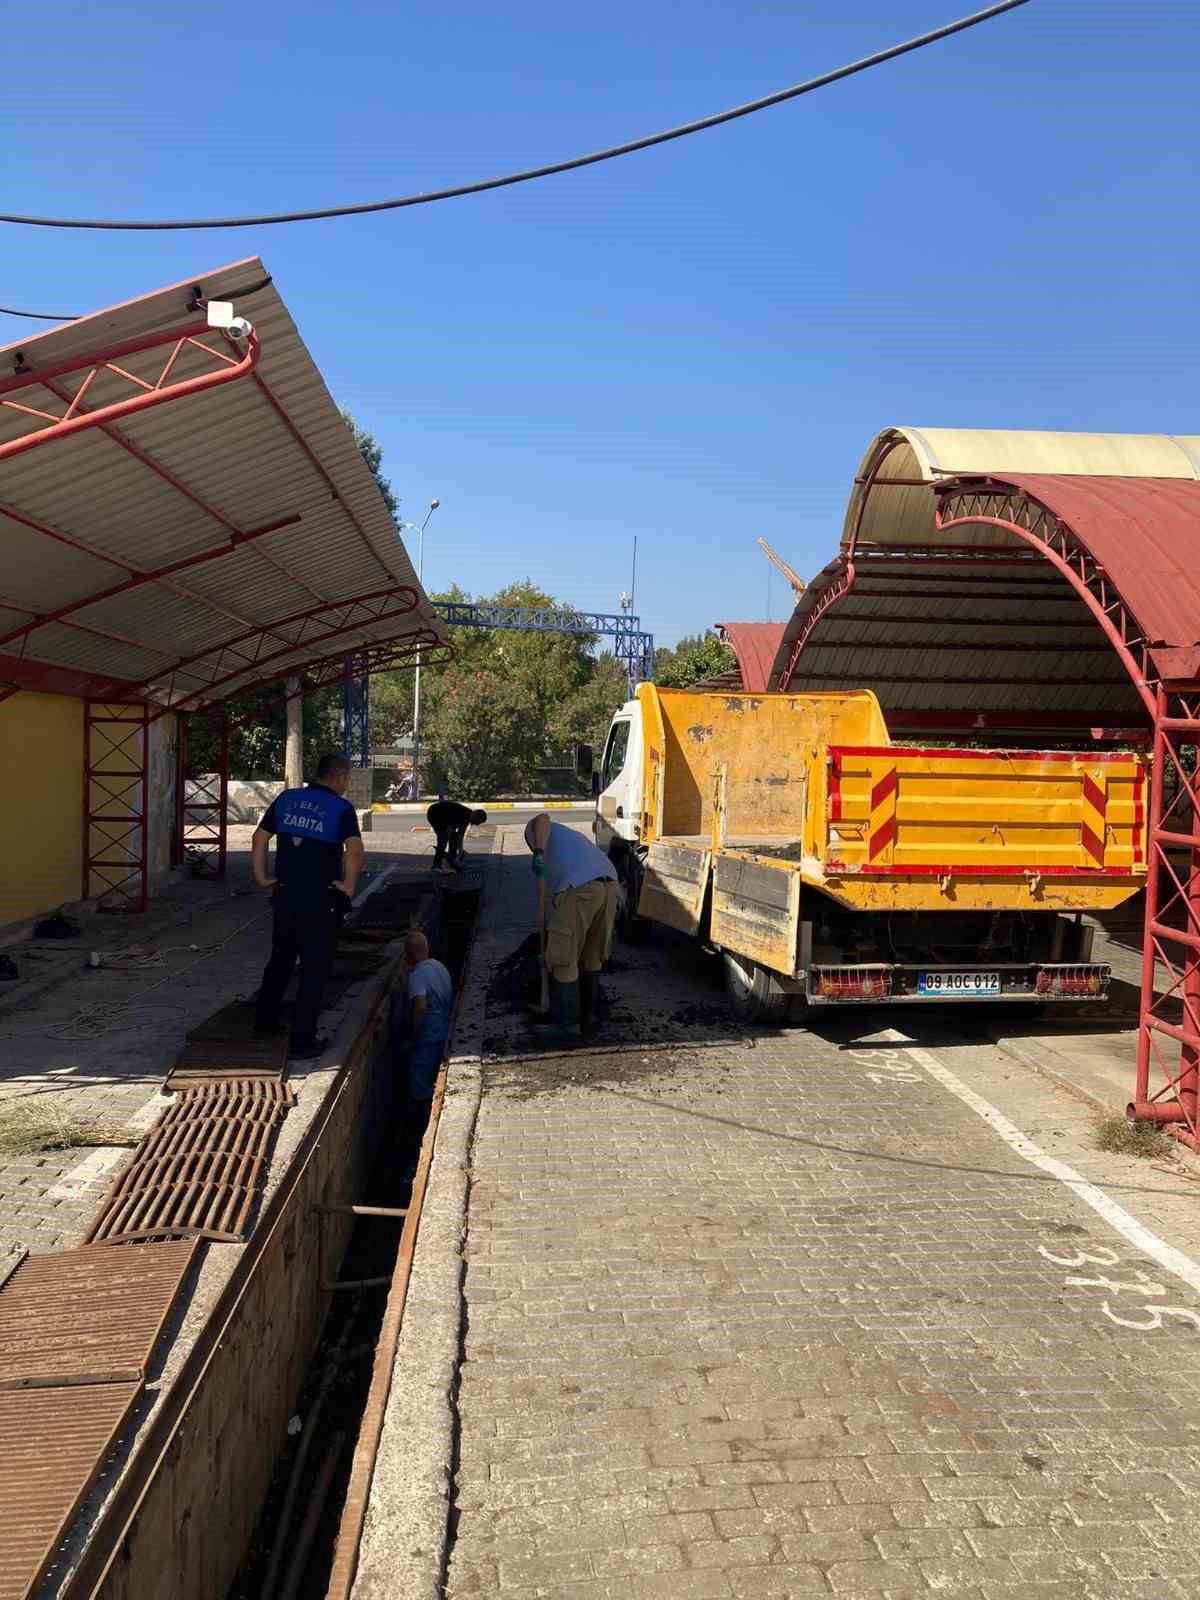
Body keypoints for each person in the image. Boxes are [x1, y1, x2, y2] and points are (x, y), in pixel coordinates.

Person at [252, 752, 364, 1059]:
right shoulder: (341, 808)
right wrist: (349, 887)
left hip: (285, 896)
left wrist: (263, 878)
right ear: (338, 776)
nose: (346, 784)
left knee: (280, 961)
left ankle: (264, 1022)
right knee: (314, 970)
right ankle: (302, 1041)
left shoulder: (287, 799)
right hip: (321, 901)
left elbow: (258, 838)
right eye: (347, 778)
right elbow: (354, 852)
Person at [524, 813, 618, 1043]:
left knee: (563, 958)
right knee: (591, 956)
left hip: (580, 886)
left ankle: (566, 1026)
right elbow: (551, 899)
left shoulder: (538, 829)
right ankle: (589, 1017)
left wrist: (537, 853)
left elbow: (542, 818)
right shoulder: (571, 839)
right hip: (609, 884)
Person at [403, 929, 454, 1105]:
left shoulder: (417, 975)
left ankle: (419, 1118)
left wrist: (413, 1036)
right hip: (446, 1028)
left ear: (409, 955)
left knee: (419, 1078)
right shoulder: (440, 966)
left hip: (429, 1035)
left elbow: (420, 1008)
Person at [426, 799, 487, 873]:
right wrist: (448, 838)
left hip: (445, 818)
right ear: (476, 815)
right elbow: (449, 828)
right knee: (443, 838)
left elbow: (460, 835)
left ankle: (452, 860)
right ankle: (436, 865)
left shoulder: (467, 818)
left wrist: (461, 850)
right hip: (435, 813)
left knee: (453, 836)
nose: (475, 824)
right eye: (476, 822)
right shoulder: (461, 813)